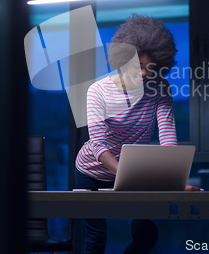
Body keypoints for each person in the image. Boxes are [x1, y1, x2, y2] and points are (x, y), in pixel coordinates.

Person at [75, 14, 199, 254]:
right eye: (139, 66)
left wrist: (173, 181)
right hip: (91, 172)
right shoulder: (98, 91)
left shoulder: (160, 88)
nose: (145, 73)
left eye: (151, 68)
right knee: (96, 240)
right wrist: (133, 177)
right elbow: (98, 146)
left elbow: (167, 137)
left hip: (132, 174)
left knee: (146, 234)